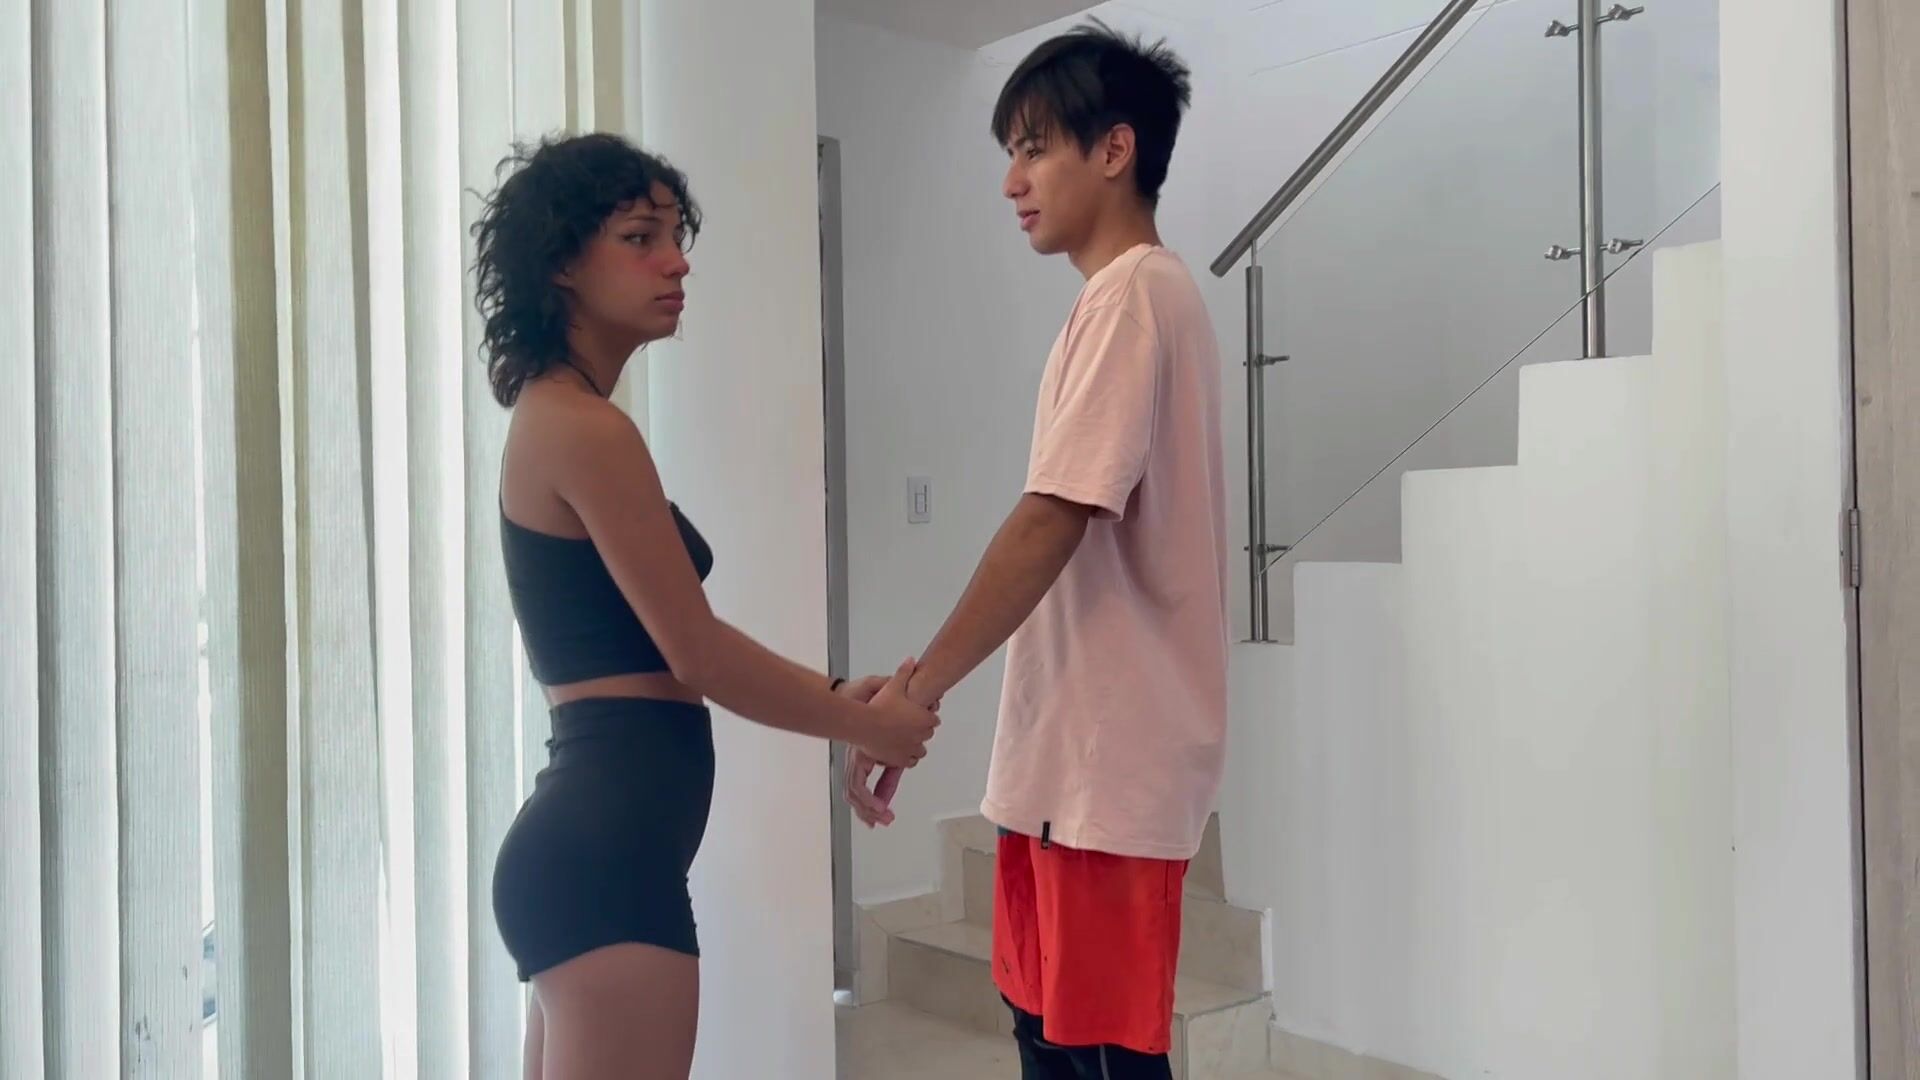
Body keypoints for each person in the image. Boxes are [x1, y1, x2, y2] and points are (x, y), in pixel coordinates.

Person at [476, 134, 939, 1080]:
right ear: (561, 263)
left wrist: (842, 697)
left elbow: (672, 645)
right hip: (608, 860)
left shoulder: (564, 417)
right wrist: (864, 724)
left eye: (674, 236)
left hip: (598, 855)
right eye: (639, 238)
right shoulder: (583, 427)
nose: (676, 262)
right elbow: (697, 652)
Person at [842, 23, 1226, 1080]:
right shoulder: (1122, 301)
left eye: (1034, 148)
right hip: (1069, 769)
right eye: (1009, 153)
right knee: (1049, 1037)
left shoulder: (1134, 297)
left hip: (1106, 770)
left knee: (1096, 1055)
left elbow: (1052, 517)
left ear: (1114, 149)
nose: (1012, 181)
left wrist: (915, 692)